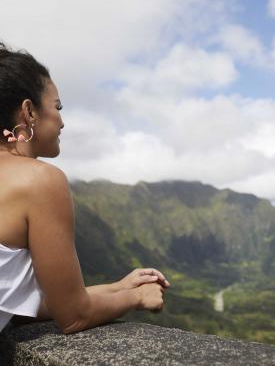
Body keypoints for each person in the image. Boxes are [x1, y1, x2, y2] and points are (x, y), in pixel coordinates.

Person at [0, 42, 170, 334]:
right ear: (29, 112)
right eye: (58, 107)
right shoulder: (40, 180)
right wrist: (137, 296)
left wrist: (118, 287)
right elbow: (74, 316)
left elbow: (20, 307)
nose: (63, 121)